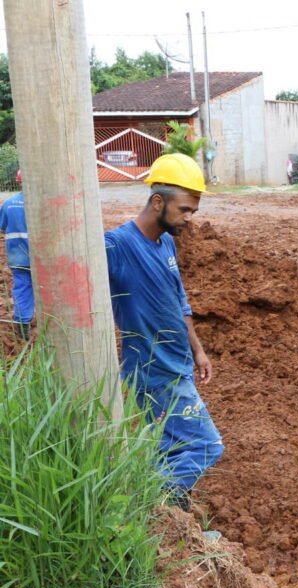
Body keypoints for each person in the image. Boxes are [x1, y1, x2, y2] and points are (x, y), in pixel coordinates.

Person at [104, 153, 223, 510]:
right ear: (158, 201)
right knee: (206, 445)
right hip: (153, 372)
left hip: (177, 363)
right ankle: (149, 508)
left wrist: (197, 350)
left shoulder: (166, 243)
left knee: (169, 449)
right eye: (184, 210)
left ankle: (169, 522)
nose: (189, 219)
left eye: (193, 212)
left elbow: (179, 300)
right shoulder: (117, 246)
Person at [1, 171, 33, 340]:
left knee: (22, 288)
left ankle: (22, 327)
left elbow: (3, 227)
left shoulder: (9, 204)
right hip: (43, 258)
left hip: (18, 257)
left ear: (18, 181)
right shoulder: (42, 203)